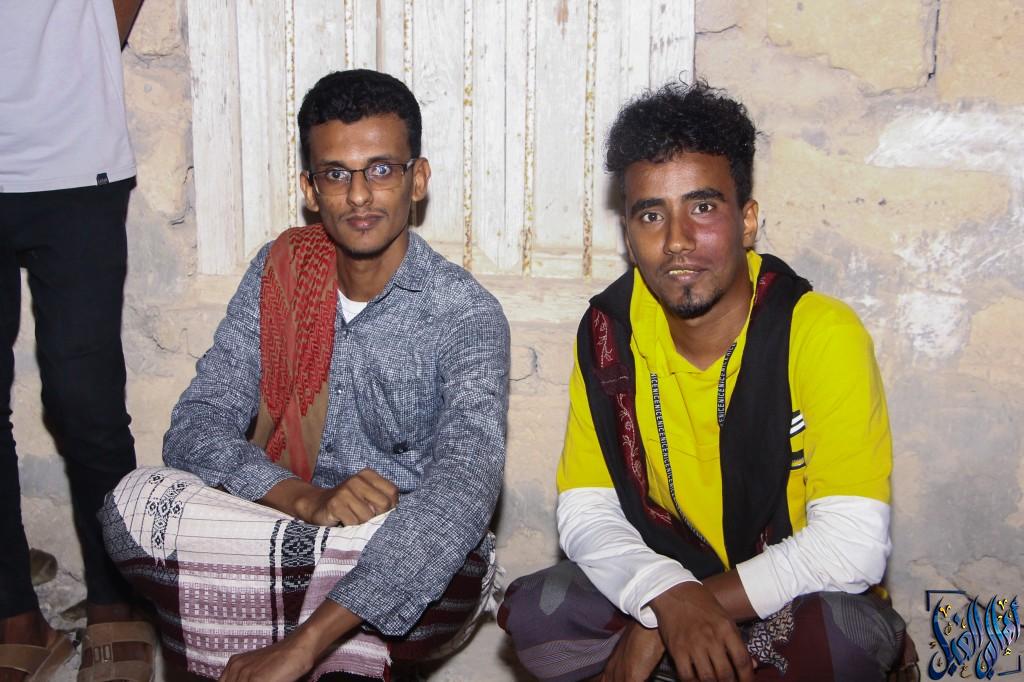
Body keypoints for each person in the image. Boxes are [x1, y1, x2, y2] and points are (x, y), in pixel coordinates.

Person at [101, 69, 510, 681]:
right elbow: (195, 427)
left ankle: (294, 638)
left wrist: (307, 640)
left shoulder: (464, 314)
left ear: (417, 180)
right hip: (283, 528)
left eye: (381, 170)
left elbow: (464, 487)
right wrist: (305, 499)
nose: (359, 196)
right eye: (336, 175)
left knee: (450, 564)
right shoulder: (281, 273)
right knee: (133, 505)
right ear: (310, 190)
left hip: (394, 547)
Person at [499, 82, 911, 682]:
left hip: (793, 600)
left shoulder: (818, 333)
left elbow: (851, 546)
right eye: (651, 215)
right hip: (670, 582)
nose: (676, 241)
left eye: (703, 208)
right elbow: (587, 509)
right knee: (541, 613)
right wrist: (666, 595)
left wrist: (671, 618)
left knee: (842, 638)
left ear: (747, 221)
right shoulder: (612, 332)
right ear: (629, 236)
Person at [0, 2, 153, 681]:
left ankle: (116, 603)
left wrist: (90, 41)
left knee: (84, 400)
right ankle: (14, 615)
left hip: (74, 157)